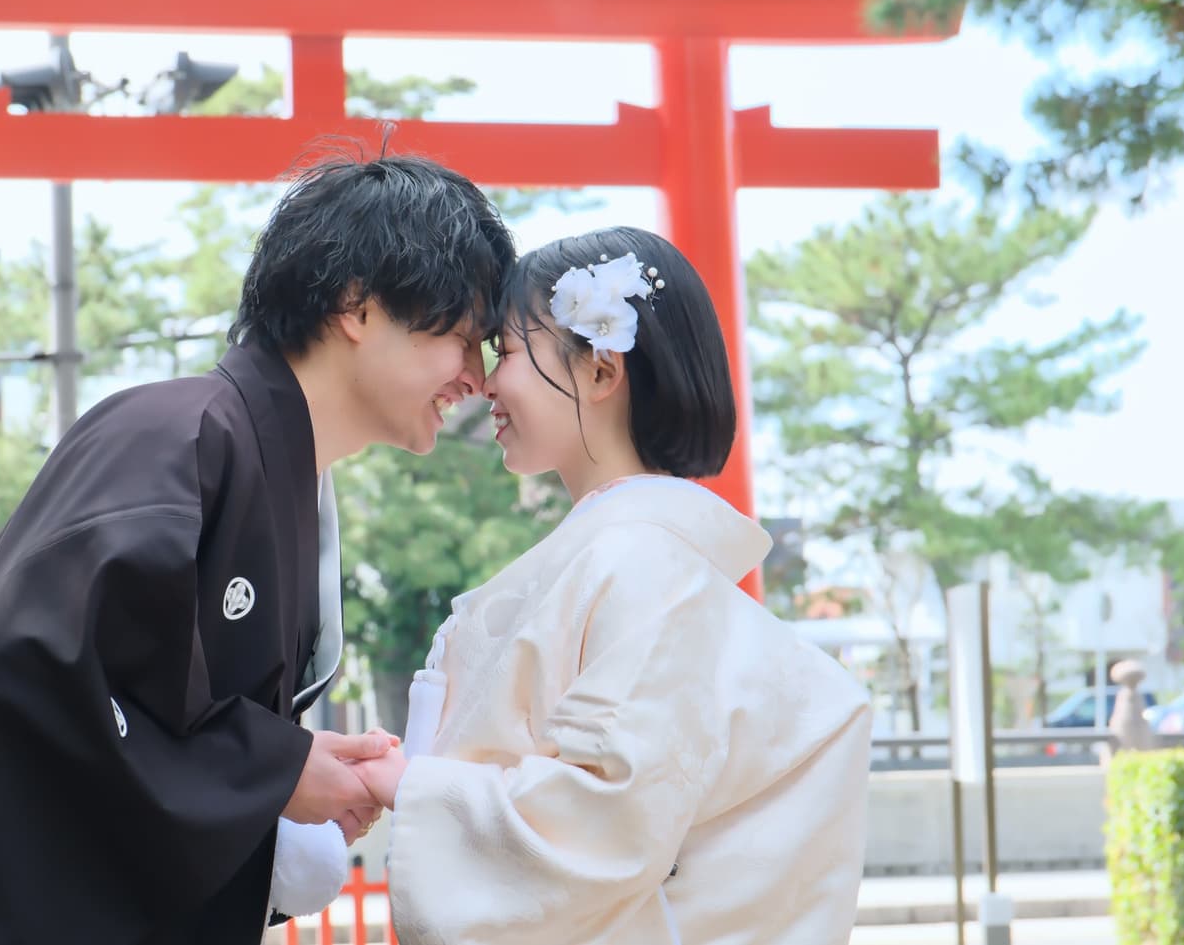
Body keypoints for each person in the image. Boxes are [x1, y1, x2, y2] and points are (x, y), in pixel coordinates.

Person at [0, 153, 517, 945]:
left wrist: (289, 768)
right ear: (358, 305)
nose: (477, 379)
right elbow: (32, 672)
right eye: (462, 339)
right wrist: (275, 770)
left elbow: (162, 716)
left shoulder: (266, 469)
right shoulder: (175, 435)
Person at [355, 227, 874, 944]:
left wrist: (413, 786)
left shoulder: (642, 565)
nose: (483, 382)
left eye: (506, 350)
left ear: (602, 370)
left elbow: (607, 821)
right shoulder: (632, 559)